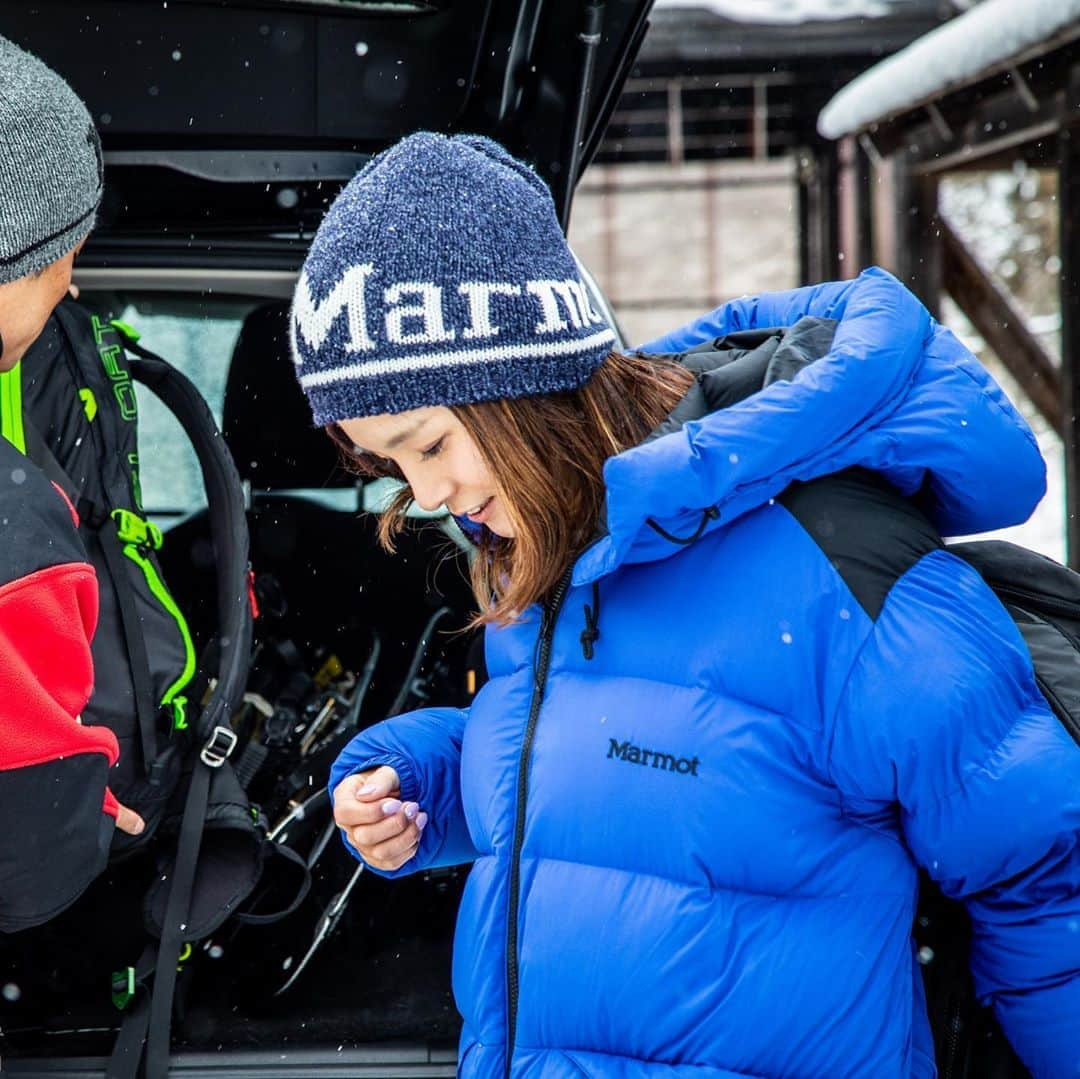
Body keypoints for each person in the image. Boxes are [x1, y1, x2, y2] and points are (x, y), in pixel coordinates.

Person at [290, 132, 1080, 1077]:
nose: (423, 494)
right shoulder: (548, 553)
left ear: (514, 380)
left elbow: (1047, 875)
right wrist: (428, 777)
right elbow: (626, 772)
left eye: (426, 444)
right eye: (393, 465)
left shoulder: (832, 559)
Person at [0, 35, 143, 934]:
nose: (74, 282)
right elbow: (28, 848)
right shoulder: (14, 525)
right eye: (65, 253)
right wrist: (93, 814)